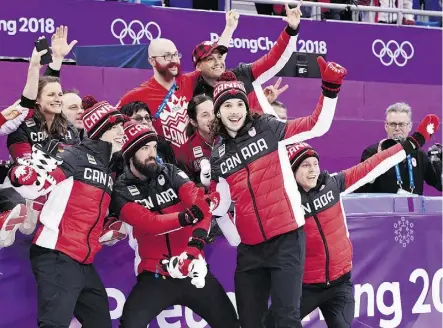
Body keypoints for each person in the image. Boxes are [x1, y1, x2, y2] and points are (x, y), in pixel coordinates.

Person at [264, 113, 440, 328]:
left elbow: (373, 164)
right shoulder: (281, 201)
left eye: (314, 163)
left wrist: (413, 142)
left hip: (339, 286)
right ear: (291, 171)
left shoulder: (332, 184)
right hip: (302, 287)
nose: (313, 170)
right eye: (305, 166)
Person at [208, 57, 347, 328]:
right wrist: (211, 196)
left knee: (285, 319)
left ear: (247, 107)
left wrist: (330, 89)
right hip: (250, 250)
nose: (234, 111)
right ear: (218, 112)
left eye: (239, 104)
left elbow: (315, 125)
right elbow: (221, 202)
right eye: (227, 105)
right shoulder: (218, 152)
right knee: (249, 321)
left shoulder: (267, 128)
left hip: (286, 241)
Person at [110, 122, 240, 328]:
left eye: (153, 146)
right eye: (145, 148)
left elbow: (201, 205)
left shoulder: (169, 172)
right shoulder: (120, 190)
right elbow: (149, 223)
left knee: (230, 324)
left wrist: (192, 251)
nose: (152, 153)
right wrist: (186, 217)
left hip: (193, 269)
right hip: (156, 274)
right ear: (130, 153)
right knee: (129, 324)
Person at [8, 101, 125, 328]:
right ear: (100, 131)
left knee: (100, 323)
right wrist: (23, 173)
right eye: (115, 127)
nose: (122, 132)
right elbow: (34, 185)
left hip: (83, 260)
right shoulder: (75, 155)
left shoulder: (105, 167)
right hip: (57, 254)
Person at [116, 11, 239, 153]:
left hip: (195, 159)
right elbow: (111, 120)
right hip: (165, 165)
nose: (174, 60)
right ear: (152, 61)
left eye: (176, 55)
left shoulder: (188, 80)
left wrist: (229, 28)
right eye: (167, 56)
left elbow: (215, 62)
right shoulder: (137, 95)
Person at [0, 28, 78, 246]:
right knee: (20, 174)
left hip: (59, 188)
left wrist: (56, 61)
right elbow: (28, 100)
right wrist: (36, 66)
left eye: (60, 95)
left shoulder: (68, 128)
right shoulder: (23, 121)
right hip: (28, 184)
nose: (57, 98)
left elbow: (46, 89)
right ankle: (18, 220)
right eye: (52, 96)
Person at [192, 4, 301, 115]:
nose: (218, 62)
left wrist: (291, 30)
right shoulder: (197, 98)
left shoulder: (243, 74)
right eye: (210, 59)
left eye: (220, 57)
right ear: (198, 66)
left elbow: (273, 59)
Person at [355, 102, 442, 195]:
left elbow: (439, 185)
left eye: (401, 124)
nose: (397, 128)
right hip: (382, 209)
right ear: (386, 126)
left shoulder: (420, 155)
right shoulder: (373, 152)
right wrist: (375, 166)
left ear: (410, 126)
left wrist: (439, 164)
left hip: (413, 209)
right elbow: (360, 191)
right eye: (393, 124)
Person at [120, 101, 176, 165]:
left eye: (147, 118)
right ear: (125, 123)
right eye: (138, 118)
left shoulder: (163, 146)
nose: (145, 122)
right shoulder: (120, 155)